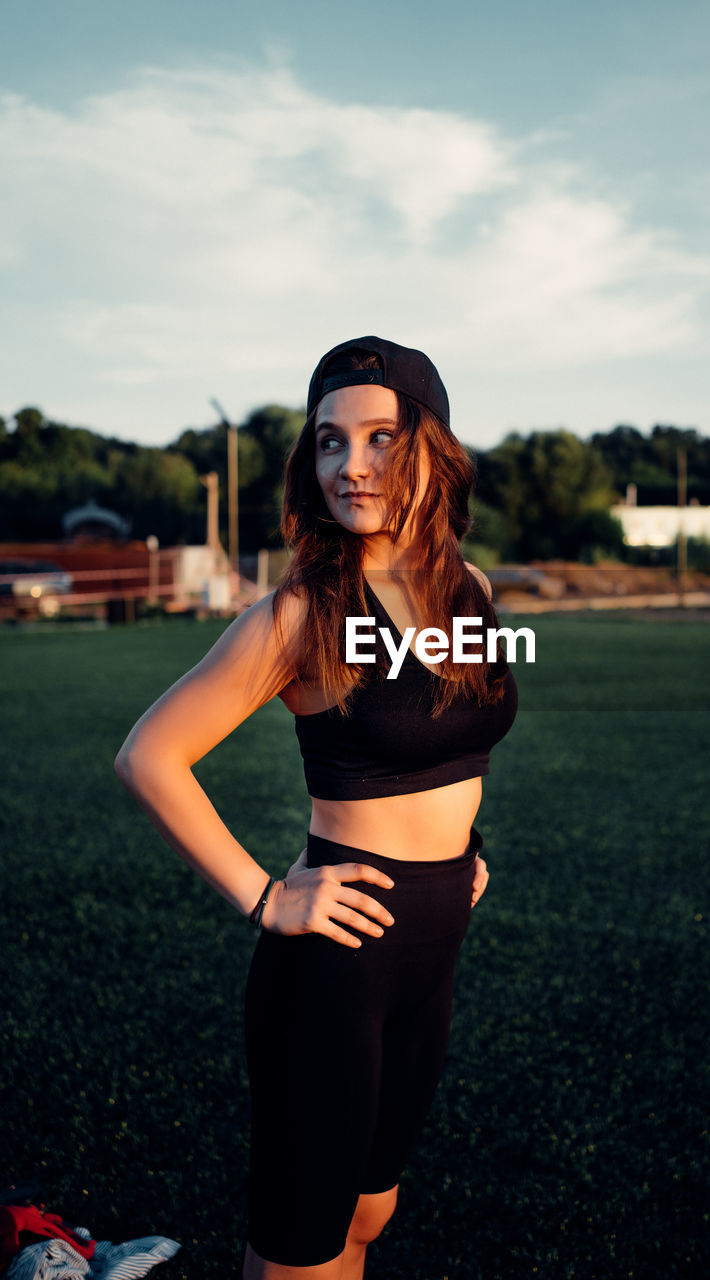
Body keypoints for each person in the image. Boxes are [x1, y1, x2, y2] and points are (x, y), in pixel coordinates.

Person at [115, 336, 518, 1280]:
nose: (353, 464)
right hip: (333, 968)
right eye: (331, 442)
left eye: (381, 437)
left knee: (371, 1215)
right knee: (304, 1252)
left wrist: (468, 844)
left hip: (432, 958)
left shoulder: (474, 593)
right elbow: (149, 755)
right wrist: (265, 897)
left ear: (433, 449)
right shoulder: (301, 614)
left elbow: (455, 731)